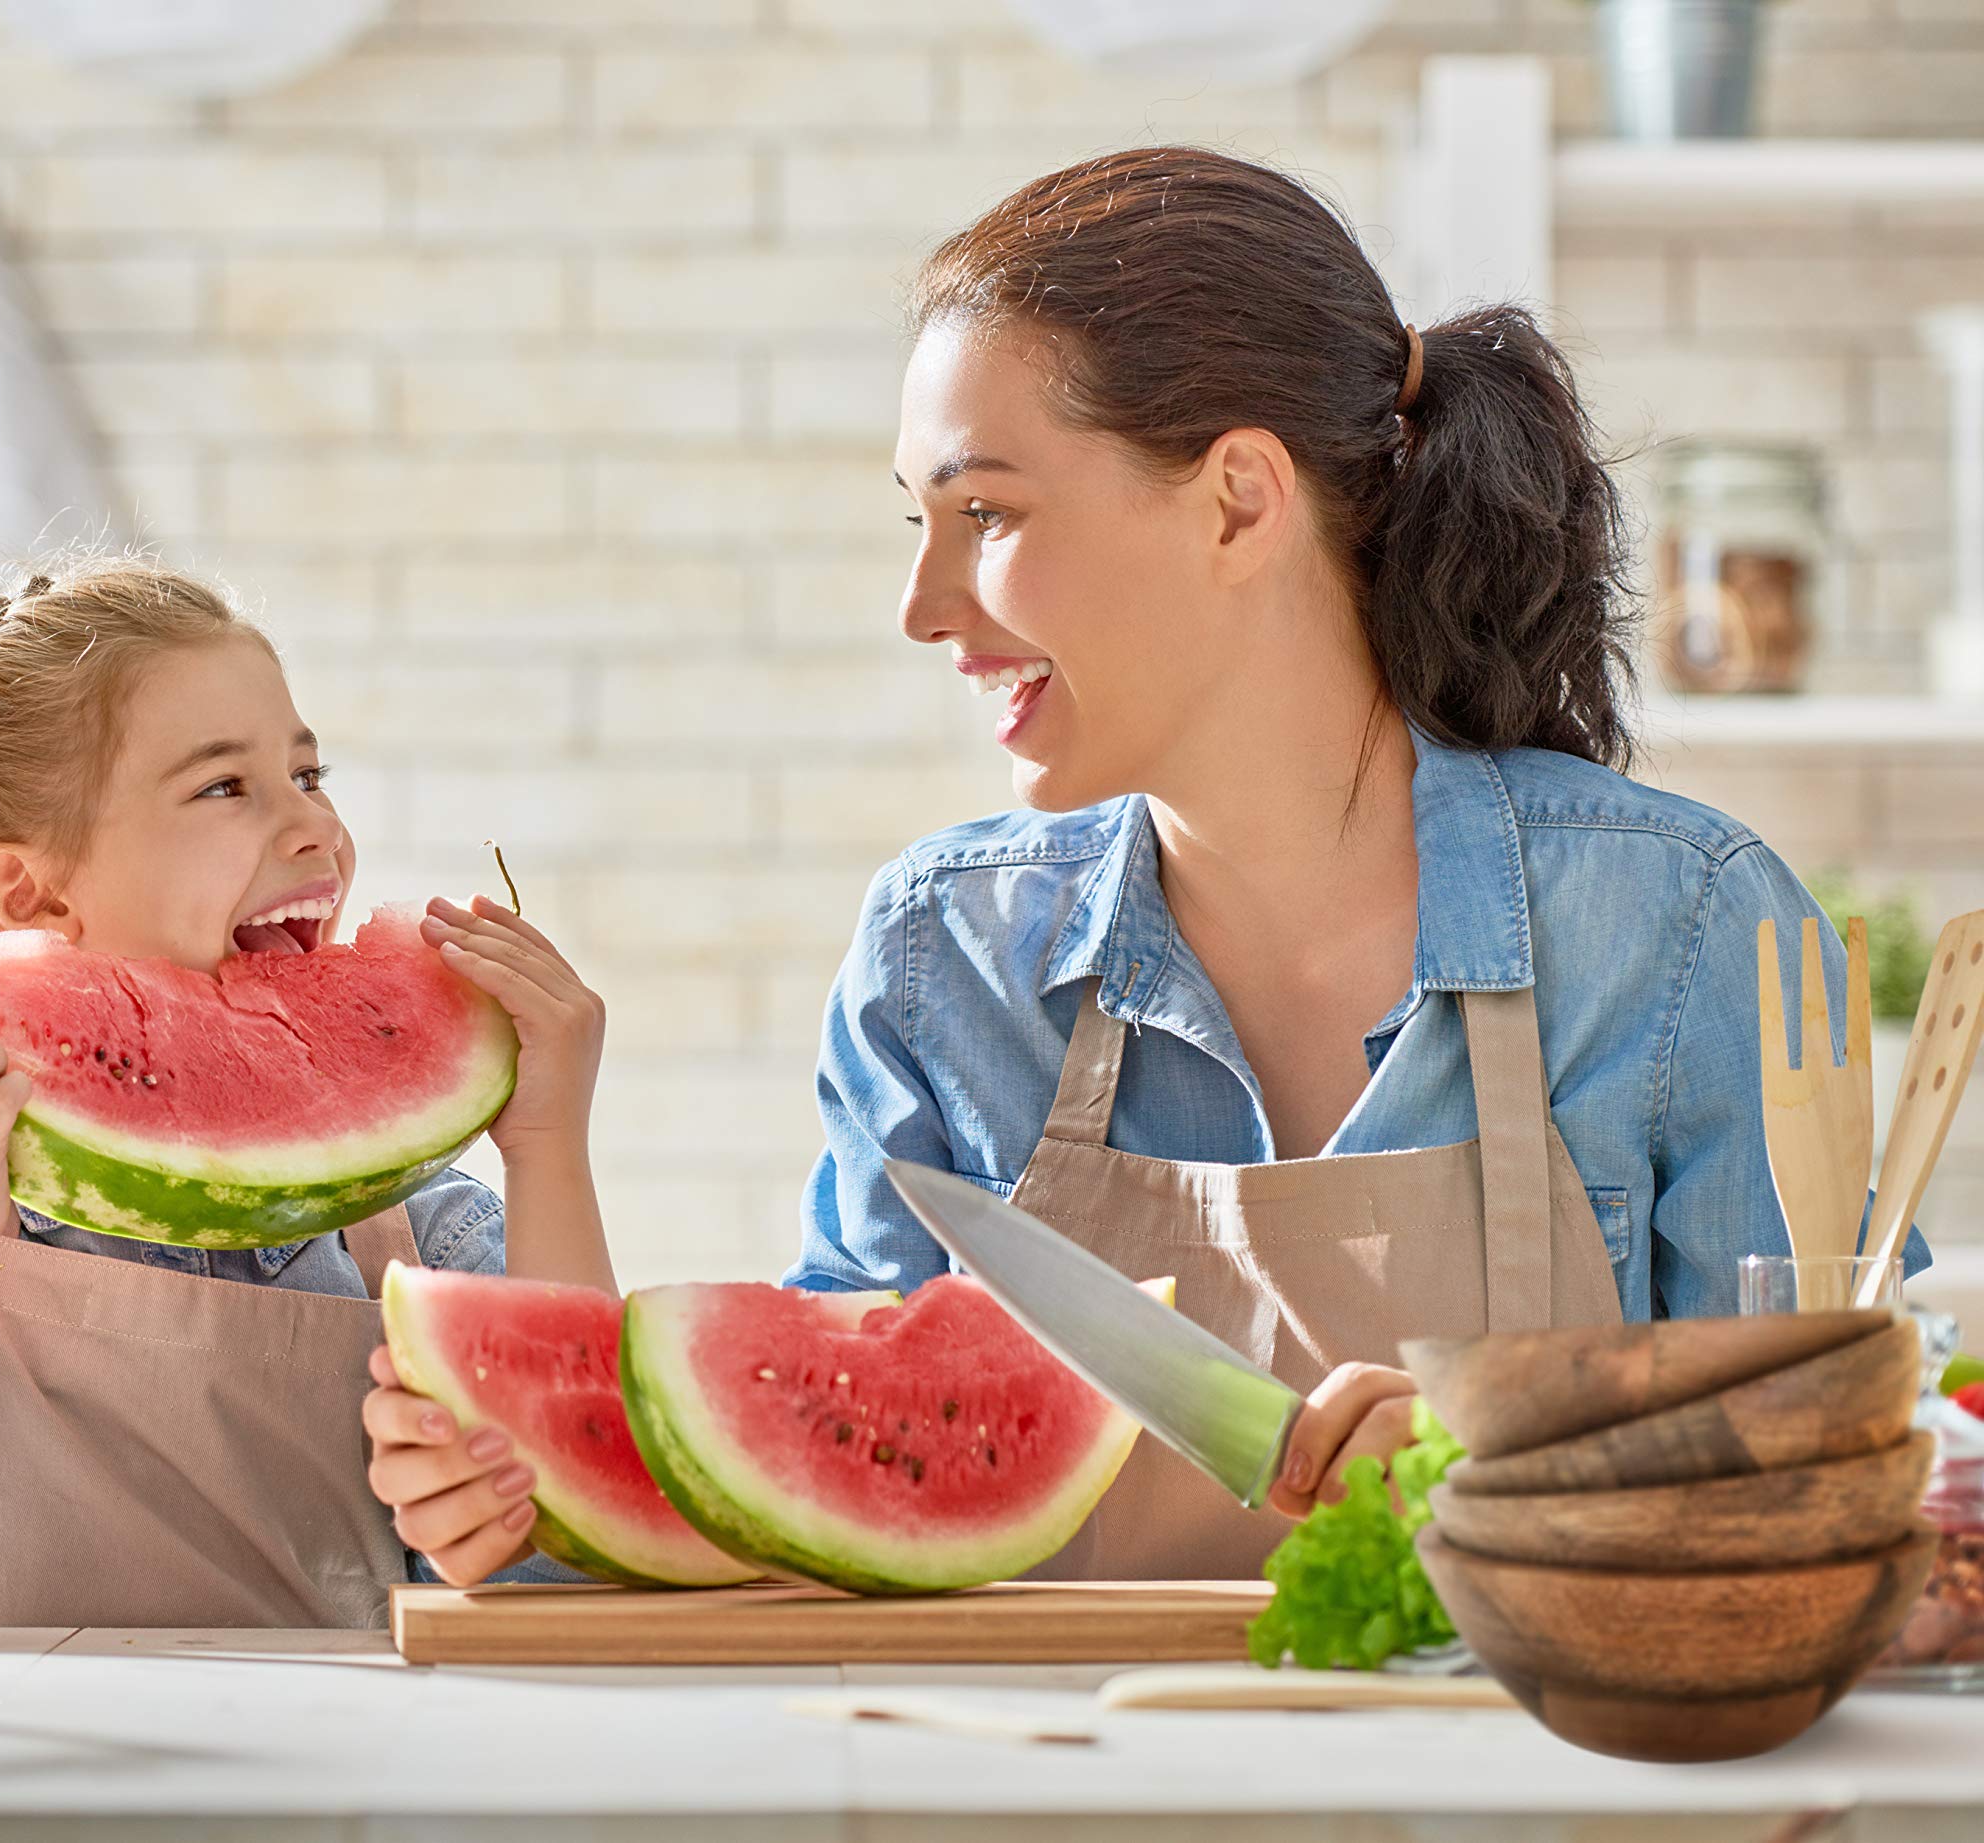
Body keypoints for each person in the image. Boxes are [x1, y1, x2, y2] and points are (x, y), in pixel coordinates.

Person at [364, 146, 1922, 1586]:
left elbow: (1887, 1475)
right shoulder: (941, 957)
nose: (922, 605)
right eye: (918, 521)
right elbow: (823, 1484)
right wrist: (521, 1496)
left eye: (986, 513)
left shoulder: (1682, 928)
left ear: (1240, 499)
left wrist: (1533, 1455)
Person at [0, 554, 609, 1626]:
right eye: (225, 786)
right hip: (7, 1780)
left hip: (339, 1782)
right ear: (30, 894)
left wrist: (547, 1146)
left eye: (308, 775)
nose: (313, 830)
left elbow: (575, 1573)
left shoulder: (417, 1228)